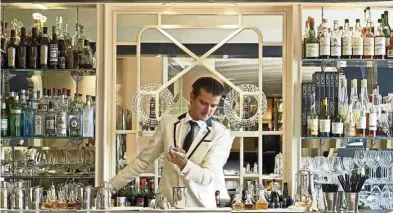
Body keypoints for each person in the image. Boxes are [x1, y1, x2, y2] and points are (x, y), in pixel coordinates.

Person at [108, 77, 234, 207]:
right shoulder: (168, 123)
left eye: (213, 105)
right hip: (166, 204)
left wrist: (185, 164)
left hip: (198, 206)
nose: (208, 110)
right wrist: (110, 187)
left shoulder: (221, 133)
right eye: (203, 103)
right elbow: (143, 161)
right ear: (192, 96)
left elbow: (208, 177)